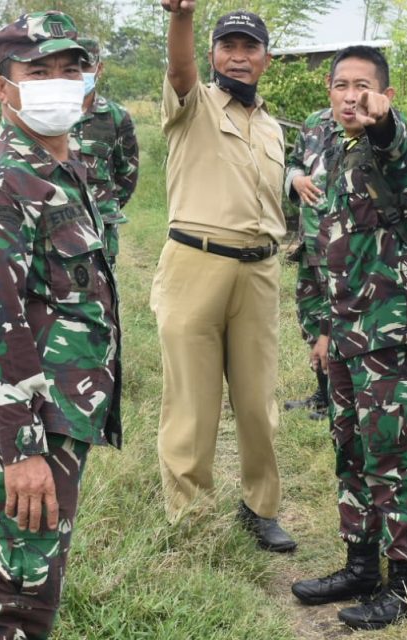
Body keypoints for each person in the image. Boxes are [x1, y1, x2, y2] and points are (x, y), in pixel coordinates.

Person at [0, 11, 121, 639]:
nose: (58, 82)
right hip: (20, 427)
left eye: (70, 69)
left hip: (59, 415)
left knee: (29, 590)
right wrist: (23, 453)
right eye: (37, 71)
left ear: (90, 81)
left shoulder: (63, 170)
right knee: (11, 601)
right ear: (2, 88)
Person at [288, 45, 407, 631]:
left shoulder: (392, 150)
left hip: (389, 337)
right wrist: (321, 328)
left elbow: (393, 143)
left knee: (390, 460)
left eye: (364, 87)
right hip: (344, 333)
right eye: (342, 85)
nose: (351, 95)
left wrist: (383, 122)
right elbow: (323, 248)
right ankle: (360, 567)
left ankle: (404, 587)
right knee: (350, 452)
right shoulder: (326, 148)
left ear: (385, 95)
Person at [152, 0, 295, 553]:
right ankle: (190, 515)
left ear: (265, 59)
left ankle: (260, 508)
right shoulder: (193, 105)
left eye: (249, 48)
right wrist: (182, 18)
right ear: (213, 55)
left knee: (259, 402)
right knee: (193, 401)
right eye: (228, 47)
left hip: (259, 272)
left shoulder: (271, 126)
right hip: (195, 264)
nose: (238, 57)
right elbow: (179, 70)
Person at [282, 106, 334, 421]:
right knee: (312, 320)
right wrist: (296, 179)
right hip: (309, 243)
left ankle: (341, 400)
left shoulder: (373, 126)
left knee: (339, 323)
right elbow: (294, 163)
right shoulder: (314, 123)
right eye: (340, 82)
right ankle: (323, 394)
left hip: (345, 248)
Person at [72, 37, 139, 268]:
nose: (79, 74)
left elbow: (127, 175)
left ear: (99, 68)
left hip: (100, 229)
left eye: (85, 66)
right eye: (72, 67)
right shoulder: (47, 115)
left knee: (101, 298)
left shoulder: (116, 117)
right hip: (54, 225)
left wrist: (103, 205)